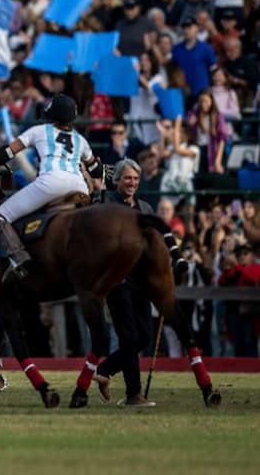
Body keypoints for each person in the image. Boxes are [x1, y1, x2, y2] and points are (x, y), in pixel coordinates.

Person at [0, 95, 104, 282]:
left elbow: (5, 154)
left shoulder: (38, 130)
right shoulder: (80, 139)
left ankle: (19, 259)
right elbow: (96, 170)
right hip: (79, 186)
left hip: (51, 182)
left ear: (52, 115)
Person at [92, 158, 157, 407]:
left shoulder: (146, 208)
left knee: (144, 337)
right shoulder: (106, 206)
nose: (132, 183)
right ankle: (133, 394)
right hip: (116, 281)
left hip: (142, 281)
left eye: (136, 179)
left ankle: (106, 369)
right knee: (129, 337)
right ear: (117, 180)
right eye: (128, 178)